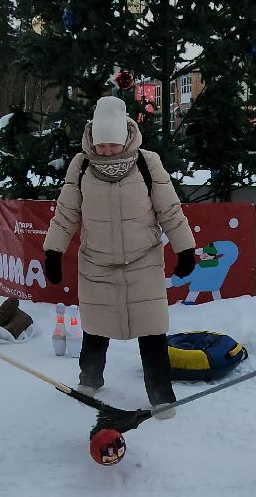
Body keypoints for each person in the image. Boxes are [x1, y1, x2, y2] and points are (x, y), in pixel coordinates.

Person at [42, 96, 197, 415]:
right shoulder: (82, 164)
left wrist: (185, 248)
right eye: (101, 145)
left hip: (143, 261)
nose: (107, 151)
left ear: (125, 136)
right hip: (96, 261)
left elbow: (169, 209)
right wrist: (53, 251)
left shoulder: (147, 162)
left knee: (152, 330)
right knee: (95, 326)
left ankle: (161, 394)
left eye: (113, 144)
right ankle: (90, 378)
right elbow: (67, 212)